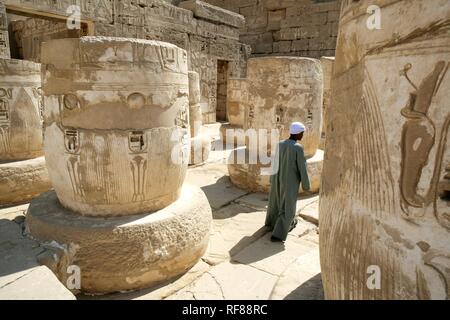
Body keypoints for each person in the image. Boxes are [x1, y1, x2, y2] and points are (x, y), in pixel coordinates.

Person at [265, 122, 311, 242]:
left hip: (277, 178)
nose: (302, 136)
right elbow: (302, 167)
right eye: (302, 133)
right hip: (289, 182)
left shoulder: (280, 144)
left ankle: (275, 224)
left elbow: (274, 162)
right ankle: (278, 234)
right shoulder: (298, 148)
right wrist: (306, 185)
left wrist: (272, 178)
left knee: (277, 201)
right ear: (298, 133)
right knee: (288, 207)